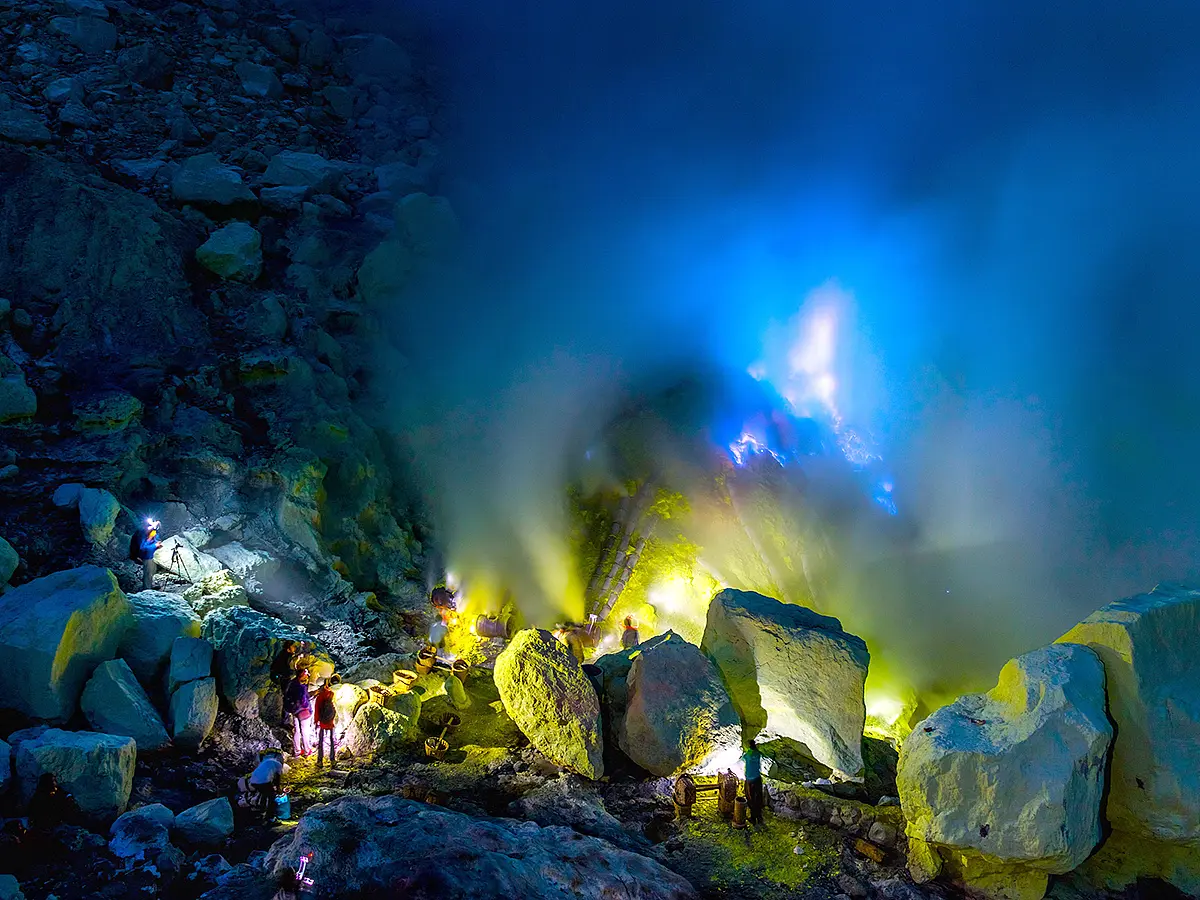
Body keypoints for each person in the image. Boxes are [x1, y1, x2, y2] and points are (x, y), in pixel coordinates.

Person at [283, 669, 313, 757]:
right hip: (303, 711)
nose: (307, 676)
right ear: (302, 675)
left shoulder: (292, 683)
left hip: (294, 710)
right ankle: (307, 750)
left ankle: (297, 750)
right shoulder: (301, 687)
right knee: (305, 730)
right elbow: (304, 701)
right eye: (306, 674)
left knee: (297, 730)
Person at [249, 750, 285, 822]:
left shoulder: (266, 761)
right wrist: (278, 789)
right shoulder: (278, 764)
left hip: (253, 780)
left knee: (264, 794)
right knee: (272, 797)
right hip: (263, 781)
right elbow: (277, 779)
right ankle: (270, 817)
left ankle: (261, 812)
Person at [314, 675, 339, 768]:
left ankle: (320, 761)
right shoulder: (331, 694)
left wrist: (316, 721)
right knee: (332, 740)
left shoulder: (320, 696)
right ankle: (332, 760)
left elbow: (317, 709)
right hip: (330, 721)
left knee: (321, 741)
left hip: (323, 722)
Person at [129, 518, 161, 590]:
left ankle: (149, 585)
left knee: (152, 571)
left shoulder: (152, 532)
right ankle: (146, 589)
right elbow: (143, 547)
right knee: (148, 572)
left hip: (151, 555)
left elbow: (154, 539)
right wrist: (155, 546)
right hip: (146, 556)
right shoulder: (142, 533)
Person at [742, 740, 765, 826]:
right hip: (757, 778)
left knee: (751, 798)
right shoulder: (758, 753)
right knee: (758, 798)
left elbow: (744, 757)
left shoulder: (748, 754)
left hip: (750, 779)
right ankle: (759, 818)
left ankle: (753, 818)